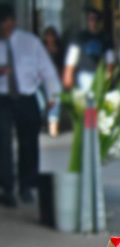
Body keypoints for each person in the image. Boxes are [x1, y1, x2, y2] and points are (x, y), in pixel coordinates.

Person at [0, 5, 61, 206]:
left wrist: (53, 96)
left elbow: (47, 72)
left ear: (13, 22)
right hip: (3, 100)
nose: (4, 31)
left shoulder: (30, 42)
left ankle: (27, 185)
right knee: (3, 144)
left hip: (26, 98)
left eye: (7, 27)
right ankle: (7, 188)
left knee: (29, 143)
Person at [62, 8, 114, 92]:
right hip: (84, 75)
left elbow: (110, 60)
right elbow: (71, 60)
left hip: (100, 76)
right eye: (90, 19)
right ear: (87, 20)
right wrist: (68, 76)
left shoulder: (105, 39)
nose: (93, 21)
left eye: (95, 19)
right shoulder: (80, 37)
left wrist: (109, 76)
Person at [41, 26, 64, 137]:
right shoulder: (41, 49)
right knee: (43, 101)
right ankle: (42, 124)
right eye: (48, 35)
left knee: (55, 101)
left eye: (52, 35)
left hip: (55, 79)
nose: (50, 37)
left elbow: (62, 65)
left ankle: (53, 127)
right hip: (42, 80)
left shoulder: (59, 50)